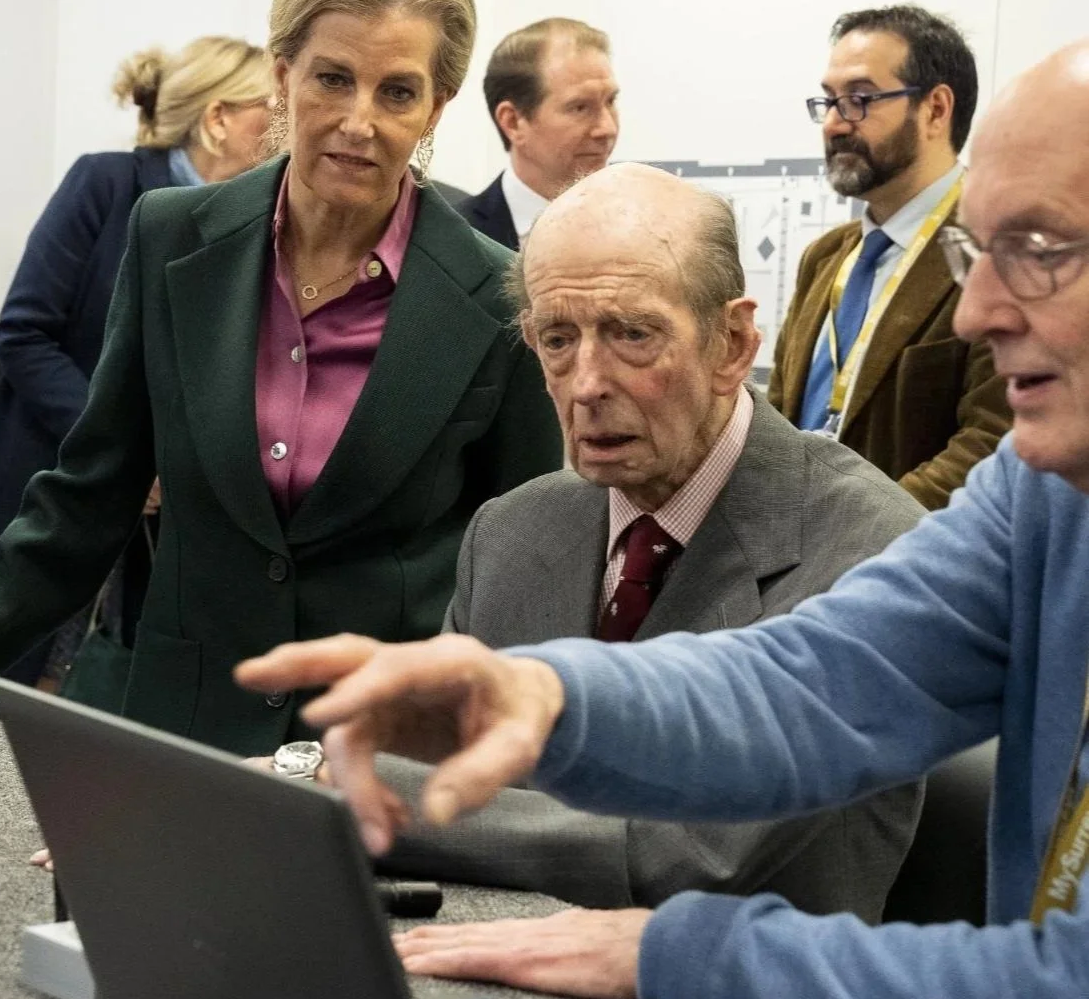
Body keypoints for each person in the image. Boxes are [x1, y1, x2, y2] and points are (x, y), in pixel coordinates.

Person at [236, 38, 1089, 999]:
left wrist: (677, 953)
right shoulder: (1045, 486)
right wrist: (549, 698)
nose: (975, 314)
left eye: (1040, 250)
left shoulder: (908, 502)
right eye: (980, 255)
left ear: (731, 344)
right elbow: (815, 683)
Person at [0, 0, 563, 756]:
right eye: (332, 78)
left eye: (397, 92)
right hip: (184, 736)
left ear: (437, 107)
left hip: (387, 757)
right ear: (282, 74)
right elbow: (91, 494)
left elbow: (519, 567)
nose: (358, 120)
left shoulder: (497, 294)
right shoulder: (172, 239)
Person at [350, 164, 923, 918]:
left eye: (632, 334)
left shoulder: (868, 547)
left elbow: (695, 851)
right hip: (497, 978)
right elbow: (449, 774)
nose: (586, 383)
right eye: (558, 339)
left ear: (732, 343)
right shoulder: (513, 533)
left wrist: (357, 785)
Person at [0, 36, 274, 702]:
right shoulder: (106, 183)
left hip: (166, 519)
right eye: (272, 111)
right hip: (50, 472)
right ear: (219, 118)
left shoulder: (256, 225)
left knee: (92, 707)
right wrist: (117, 452)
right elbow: (25, 333)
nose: (286, 131)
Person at [768, 4, 1009, 509]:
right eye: (828, 101)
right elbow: (778, 420)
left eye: (860, 99)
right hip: (792, 559)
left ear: (936, 110)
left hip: (913, 567)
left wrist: (853, 537)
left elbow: (991, 443)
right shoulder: (825, 258)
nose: (834, 123)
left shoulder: (994, 250)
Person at [456, 18, 618, 250]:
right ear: (513, 122)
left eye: (611, 101)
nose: (607, 128)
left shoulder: (642, 228)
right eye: (580, 107)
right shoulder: (454, 240)